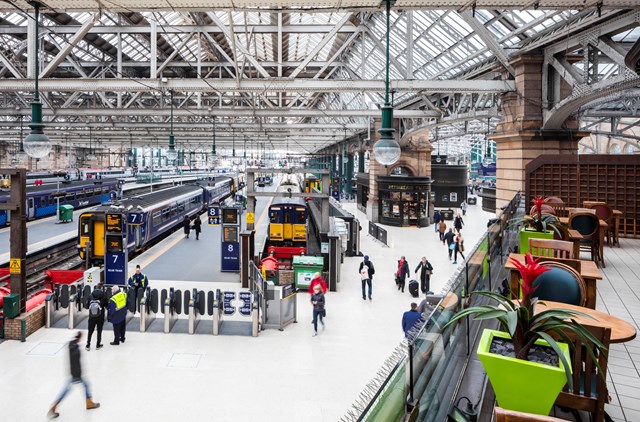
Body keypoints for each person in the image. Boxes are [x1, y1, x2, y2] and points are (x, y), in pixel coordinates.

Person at [47, 332, 100, 419]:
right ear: (80, 338)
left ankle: (89, 403)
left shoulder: (71, 344)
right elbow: (77, 363)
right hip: (76, 374)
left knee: (85, 385)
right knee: (66, 391)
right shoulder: (76, 350)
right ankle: (54, 406)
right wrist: (78, 374)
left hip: (73, 373)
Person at [86, 283, 107, 351]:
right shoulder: (103, 295)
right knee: (99, 331)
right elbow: (106, 305)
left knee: (90, 331)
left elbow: (86, 306)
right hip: (100, 316)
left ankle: (88, 345)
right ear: (101, 288)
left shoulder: (90, 295)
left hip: (91, 316)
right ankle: (98, 345)